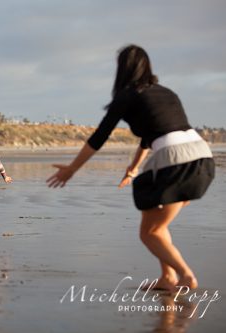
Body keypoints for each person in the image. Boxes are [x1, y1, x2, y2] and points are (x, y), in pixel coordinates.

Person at [47, 45, 214, 291]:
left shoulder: (127, 95)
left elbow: (99, 136)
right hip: (202, 157)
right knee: (157, 225)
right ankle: (168, 278)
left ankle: (186, 275)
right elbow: (151, 137)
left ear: (123, 68)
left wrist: (72, 169)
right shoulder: (167, 92)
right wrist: (133, 169)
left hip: (175, 161)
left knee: (150, 233)